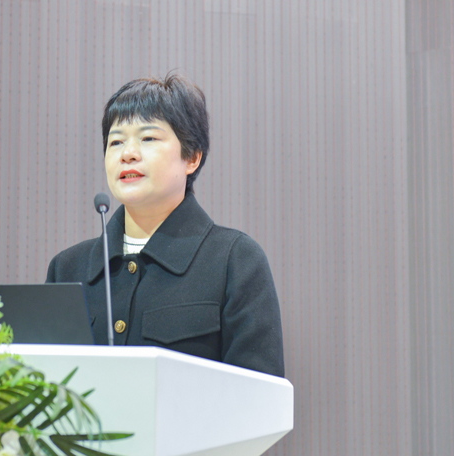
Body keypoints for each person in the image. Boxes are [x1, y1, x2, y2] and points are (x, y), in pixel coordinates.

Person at [46, 74, 284, 377]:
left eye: (148, 138)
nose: (128, 153)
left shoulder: (234, 261)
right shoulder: (68, 269)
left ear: (192, 157)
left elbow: (259, 394)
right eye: (116, 141)